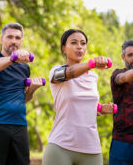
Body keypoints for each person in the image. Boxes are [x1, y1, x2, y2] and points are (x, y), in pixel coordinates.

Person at [42, 29, 114, 165]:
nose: (79, 46)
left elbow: (83, 106)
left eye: (83, 43)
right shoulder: (57, 71)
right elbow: (71, 73)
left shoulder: (93, 77)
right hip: (61, 147)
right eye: (74, 43)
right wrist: (91, 64)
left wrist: (101, 109)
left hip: (91, 148)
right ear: (63, 48)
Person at [0, 23, 44, 165]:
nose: (13, 41)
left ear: (21, 41)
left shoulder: (24, 68)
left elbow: (24, 98)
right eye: (9, 37)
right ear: (1, 39)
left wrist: (32, 89)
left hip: (19, 125)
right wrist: (12, 58)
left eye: (17, 38)